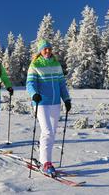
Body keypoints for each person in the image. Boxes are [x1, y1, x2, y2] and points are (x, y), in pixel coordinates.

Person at [26, 39, 71, 176]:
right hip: (41, 103)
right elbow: (30, 83)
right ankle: (46, 163)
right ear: (40, 50)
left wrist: (67, 99)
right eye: (44, 48)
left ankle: (44, 157)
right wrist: (34, 94)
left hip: (55, 103)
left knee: (52, 133)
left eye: (49, 48)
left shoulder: (56, 64)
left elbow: (62, 84)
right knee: (47, 132)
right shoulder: (35, 64)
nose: (47, 51)